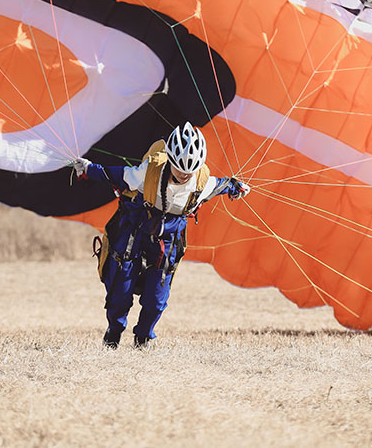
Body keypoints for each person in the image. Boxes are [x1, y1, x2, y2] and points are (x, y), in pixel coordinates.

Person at [72, 122, 250, 349]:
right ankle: (113, 334)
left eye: (189, 171)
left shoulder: (201, 180)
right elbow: (117, 175)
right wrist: (87, 168)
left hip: (168, 240)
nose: (184, 175)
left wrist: (237, 187)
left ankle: (143, 338)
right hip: (136, 230)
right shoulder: (150, 170)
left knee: (156, 299)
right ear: (171, 160)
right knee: (120, 291)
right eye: (179, 169)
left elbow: (222, 185)